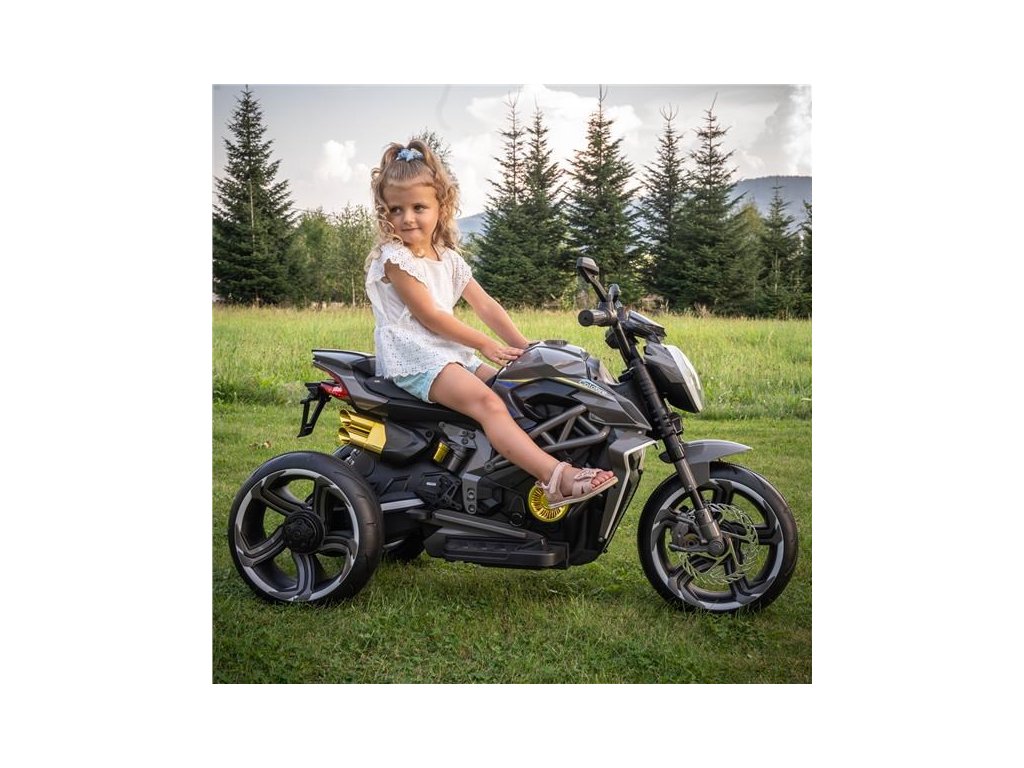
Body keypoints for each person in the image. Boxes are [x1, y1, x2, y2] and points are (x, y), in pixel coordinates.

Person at [363, 139, 617, 508]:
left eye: (419, 207)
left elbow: (485, 305)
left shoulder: (447, 258)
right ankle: (554, 478)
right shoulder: (395, 258)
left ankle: (506, 479)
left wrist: (526, 348)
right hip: (414, 358)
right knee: (488, 403)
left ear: (441, 207)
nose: (407, 218)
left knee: (511, 390)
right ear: (384, 212)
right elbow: (430, 316)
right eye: (396, 209)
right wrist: (484, 343)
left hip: (446, 355)